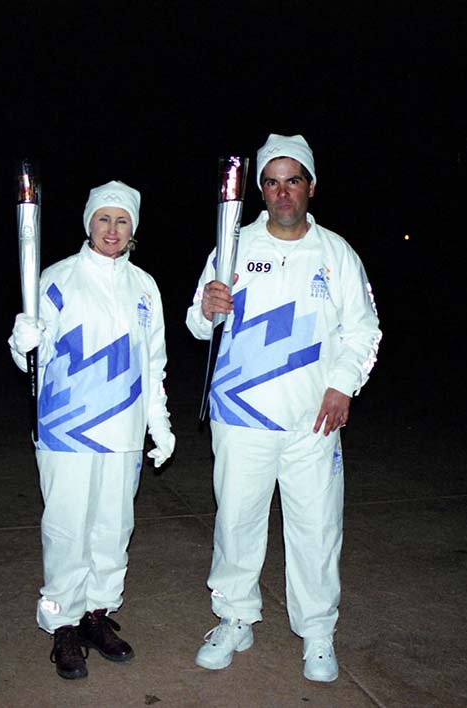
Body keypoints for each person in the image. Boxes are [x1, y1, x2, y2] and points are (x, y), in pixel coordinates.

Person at [186, 134, 381, 682]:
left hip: (311, 420)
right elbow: (198, 325)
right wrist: (207, 308)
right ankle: (234, 618)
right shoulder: (233, 246)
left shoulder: (336, 253)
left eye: (292, 180)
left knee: (316, 528)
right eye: (271, 182)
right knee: (237, 522)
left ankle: (317, 633)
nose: (281, 192)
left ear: (311, 187)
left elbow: (363, 330)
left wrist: (343, 387)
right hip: (240, 414)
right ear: (260, 191)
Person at [8, 180, 175, 681]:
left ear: (133, 230)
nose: (112, 229)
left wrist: (159, 424)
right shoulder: (57, 280)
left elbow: (154, 365)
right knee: (66, 530)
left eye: (122, 221)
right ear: (88, 223)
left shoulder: (145, 287)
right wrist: (23, 342)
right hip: (65, 430)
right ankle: (62, 625)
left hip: (122, 432)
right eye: (104, 219)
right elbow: (29, 361)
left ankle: (96, 615)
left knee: (112, 529)